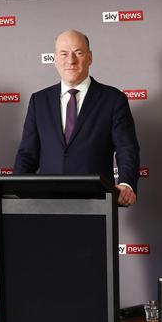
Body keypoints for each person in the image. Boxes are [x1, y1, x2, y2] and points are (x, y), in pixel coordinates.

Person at [14, 29, 140, 206]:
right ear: (55, 59)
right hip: (46, 206)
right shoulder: (39, 101)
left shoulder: (113, 99)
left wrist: (126, 184)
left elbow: (127, 148)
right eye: (64, 54)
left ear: (90, 57)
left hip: (96, 205)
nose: (71, 60)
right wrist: (15, 190)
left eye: (78, 53)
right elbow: (27, 154)